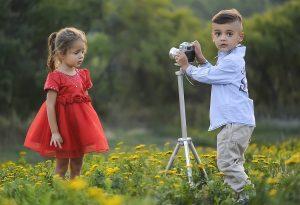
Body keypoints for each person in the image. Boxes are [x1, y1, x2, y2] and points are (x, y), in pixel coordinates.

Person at [175, 9, 255, 204]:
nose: (223, 38)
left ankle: (249, 196)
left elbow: (210, 76)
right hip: (239, 120)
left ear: (240, 37)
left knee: (227, 163)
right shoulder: (230, 58)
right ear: (212, 36)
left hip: (234, 121)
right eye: (218, 33)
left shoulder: (233, 61)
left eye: (229, 34)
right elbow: (216, 73)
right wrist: (202, 60)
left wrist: (187, 67)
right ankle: (240, 196)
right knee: (235, 162)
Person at [24, 27, 109, 179]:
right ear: (61, 53)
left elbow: (86, 102)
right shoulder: (55, 77)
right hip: (63, 129)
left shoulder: (82, 75)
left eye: (83, 52)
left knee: (77, 165)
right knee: (62, 166)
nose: (81, 56)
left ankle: (73, 194)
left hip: (78, 128)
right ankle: (58, 195)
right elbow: (49, 106)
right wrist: (55, 132)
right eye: (76, 53)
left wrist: (89, 126)